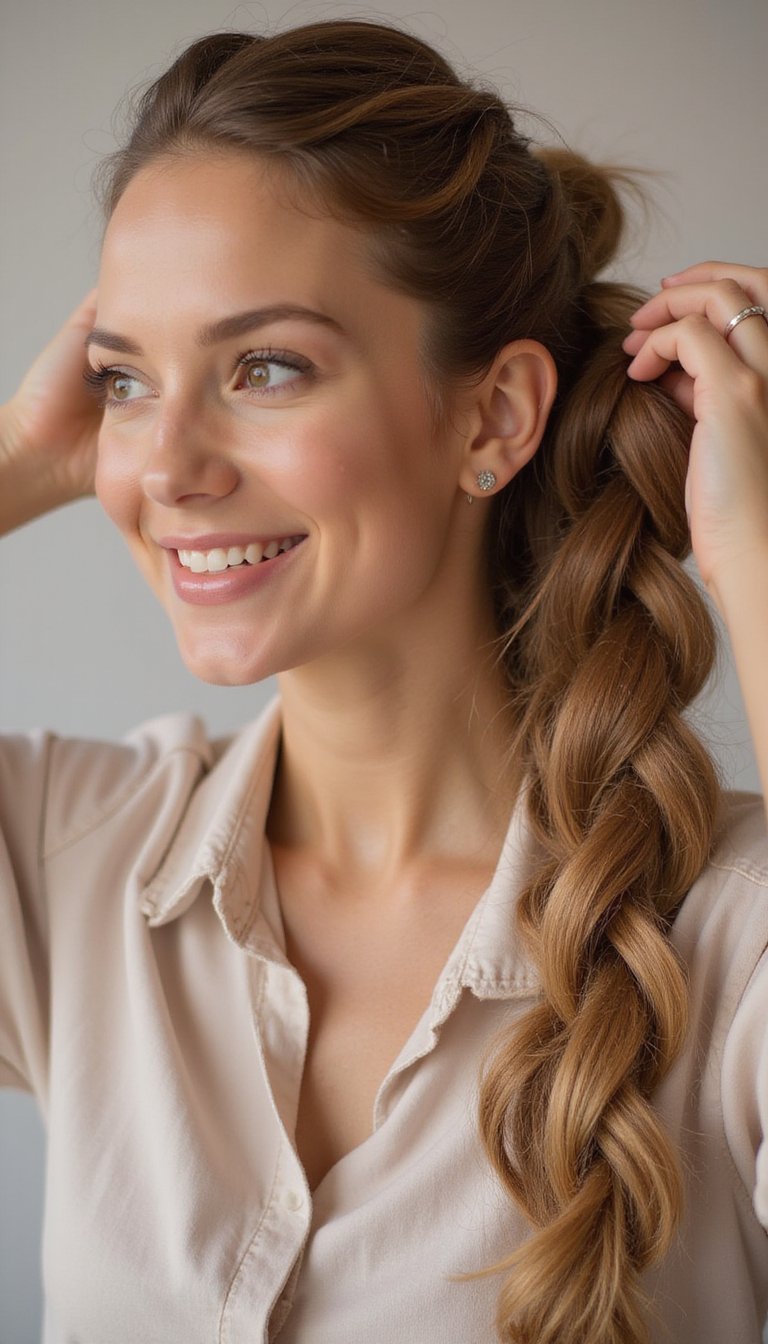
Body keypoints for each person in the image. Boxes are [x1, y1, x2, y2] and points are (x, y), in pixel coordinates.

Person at [1, 18, 767, 1344]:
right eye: (124, 379)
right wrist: (22, 449)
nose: (166, 464)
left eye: (265, 366)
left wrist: (757, 560)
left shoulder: (725, 938)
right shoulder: (68, 860)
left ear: (495, 417)